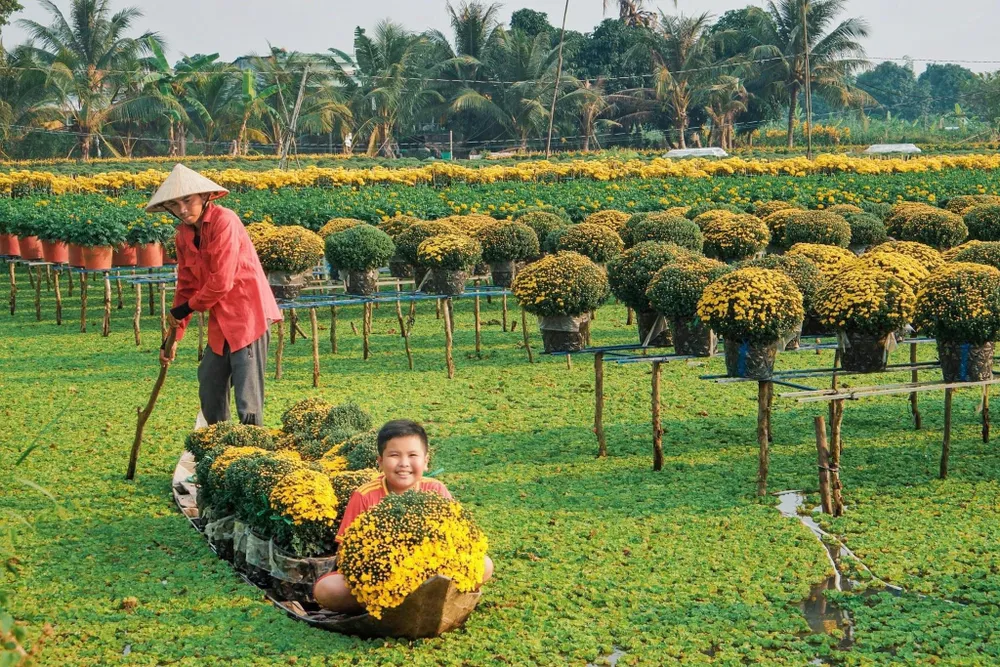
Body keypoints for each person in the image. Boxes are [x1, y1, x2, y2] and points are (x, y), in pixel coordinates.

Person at [148, 163, 282, 426]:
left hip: (248, 315)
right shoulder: (183, 235)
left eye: (188, 200)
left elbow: (221, 282)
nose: (183, 210)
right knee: (210, 385)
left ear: (205, 196)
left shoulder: (225, 221)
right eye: (175, 205)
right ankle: (220, 447)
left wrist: (186, 309)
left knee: (248, 401)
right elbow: (186, 285)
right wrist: (173, 336)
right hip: (221, 322)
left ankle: (250, 453)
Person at [313, 420, 494, 613]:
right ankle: (389, 604)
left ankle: (409, 604)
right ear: (380, 461)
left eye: (413, 455)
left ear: (426, 461)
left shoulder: (435, 489)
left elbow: (460, 539)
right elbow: (344, 554)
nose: (404, 463)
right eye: (394, 455)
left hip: (432, 573)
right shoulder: (364, 495)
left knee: (485, 565)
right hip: (379, 579)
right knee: (327, 589)